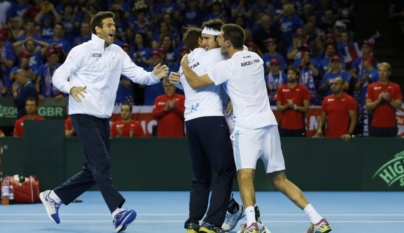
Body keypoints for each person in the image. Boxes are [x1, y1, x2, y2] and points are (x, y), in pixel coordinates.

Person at [180, 24, 331, 233]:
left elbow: (196, 82)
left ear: (228, 42)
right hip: (269, 124)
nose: (218, 41)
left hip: (247, 128)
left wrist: (184, 64)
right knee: (280, 179)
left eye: (220, 38)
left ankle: (251, 224)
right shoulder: (257, 58)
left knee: (244, 176)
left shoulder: (227, 66)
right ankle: (318, 219)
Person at [39, 11, 168, 233]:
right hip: (82, 113)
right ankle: (118, 212)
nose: (113, 28)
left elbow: (138, 75)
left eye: (114, 25)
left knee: (93, 169)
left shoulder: (118, 52)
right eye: (108, 25)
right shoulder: (81, 51)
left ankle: (54, 196)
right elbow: (59, 76)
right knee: (102, 164)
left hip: (102, 117)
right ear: (97, 29)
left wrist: (154, 76)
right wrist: (71, 88)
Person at [168, 23, 245, 233]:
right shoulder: (214, 54)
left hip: (190, 121)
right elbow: (241, 52)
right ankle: (212, 223)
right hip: (210, 118)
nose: (204, 42)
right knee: (225, 170)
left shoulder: (188, 59)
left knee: (201, 175)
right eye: (203, 39)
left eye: (207, 39)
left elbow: (188, 85)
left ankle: (193, 222)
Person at [366, 62, 402, 137]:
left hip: (391, 126)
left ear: (389, 73)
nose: (381, 73)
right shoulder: (371, 87)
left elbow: (399, 105)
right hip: (376, 125)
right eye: (380, 71)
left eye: (384, 71)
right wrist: (378, 100)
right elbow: (368, 106)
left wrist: (390, 100)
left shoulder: (395, 87)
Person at [275, 66, 310, 137]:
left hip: (299, 126)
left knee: (300, 147)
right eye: (288, 73)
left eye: (292, 73)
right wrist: (288, 105)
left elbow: (306, 109)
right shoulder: (281, 89)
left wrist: (295, 106)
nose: (290, 75)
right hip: (284, 126)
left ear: (297, 76)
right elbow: (279, 108)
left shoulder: (303, 89)